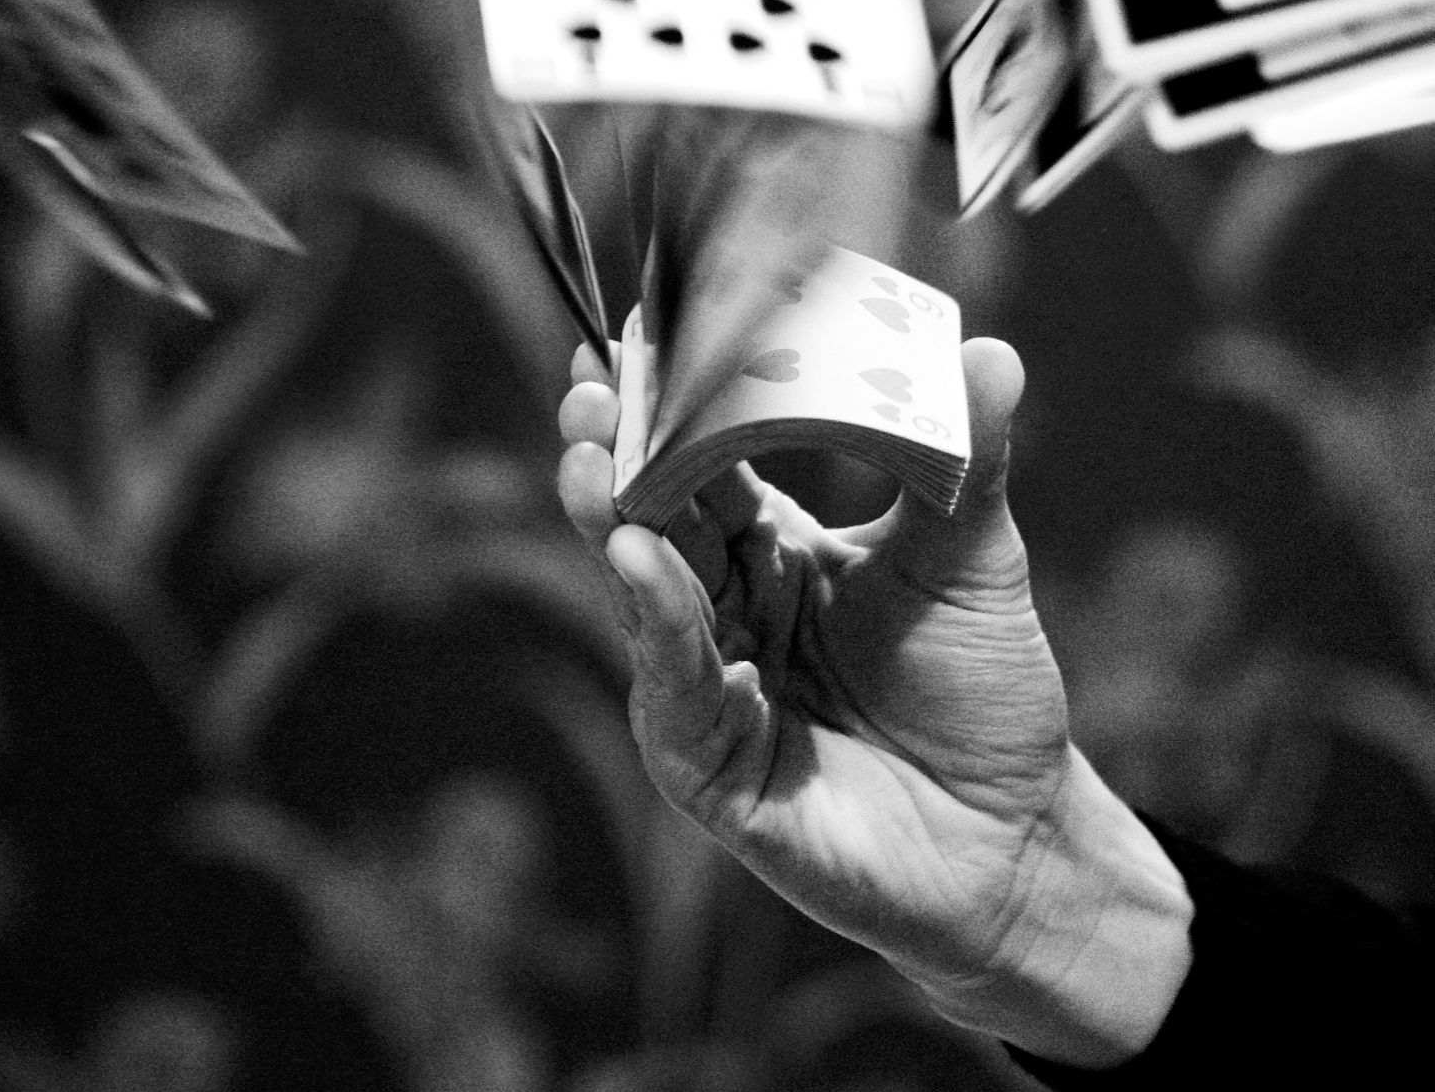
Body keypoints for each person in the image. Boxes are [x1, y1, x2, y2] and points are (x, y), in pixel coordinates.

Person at [556, 337, 1434, 1085]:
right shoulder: (835, 825)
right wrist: (1040, 891)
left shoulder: (1370, 784)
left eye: (1230, 647)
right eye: (1162, 616)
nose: (1181, 683)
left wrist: (1044, 890)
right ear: (1065, 595)